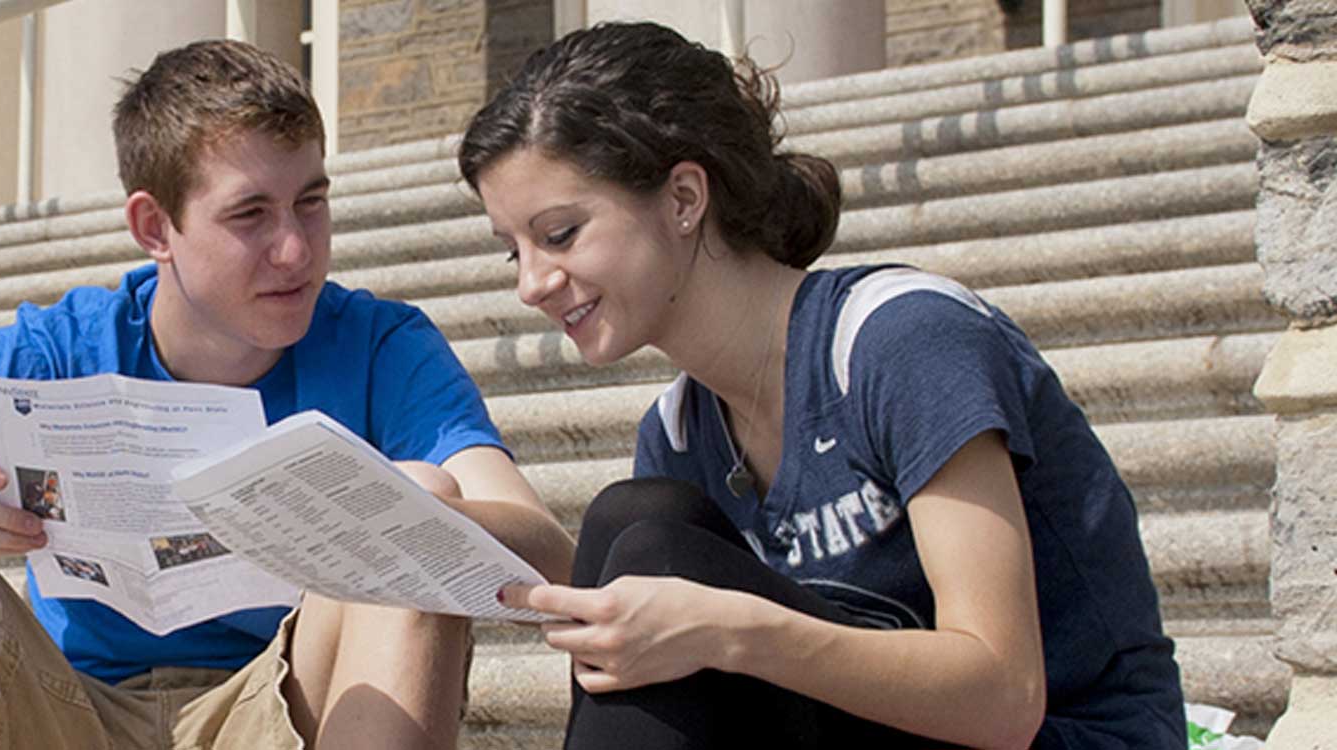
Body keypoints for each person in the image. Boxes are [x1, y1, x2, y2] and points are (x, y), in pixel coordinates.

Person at [0, 40, 575, 750]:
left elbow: (550, 556)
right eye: (250, 216)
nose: (296, 250)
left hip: (281, 706)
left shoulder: (381, 345)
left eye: (312, 203)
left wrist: (371, 514)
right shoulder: (58, 348)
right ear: (155, 227)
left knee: (420, 495)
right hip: (64, 711)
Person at [463, 22, 1183, 749]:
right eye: (511, 251)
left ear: (683, 197)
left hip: (1063, 736)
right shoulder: (680, 432)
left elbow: (1003, 697)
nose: (531, 284)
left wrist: (730, 631)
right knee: (635, 519)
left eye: (560, 234)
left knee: (657, 552)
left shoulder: (901, 343)